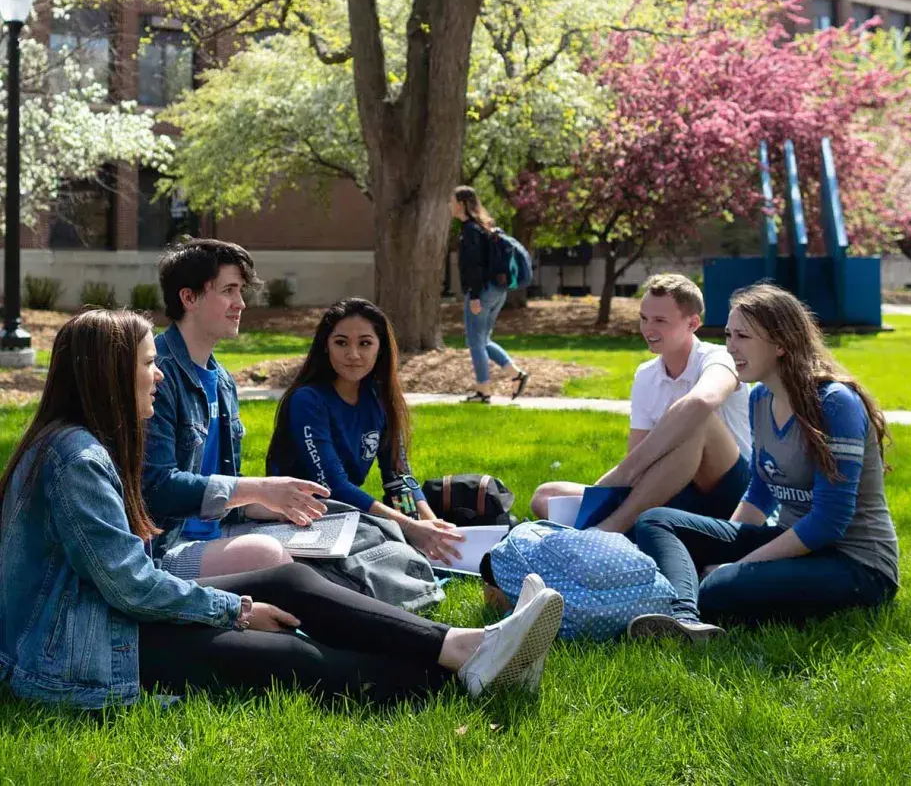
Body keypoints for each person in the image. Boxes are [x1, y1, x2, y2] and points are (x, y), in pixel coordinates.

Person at [0, 309, 565, 709]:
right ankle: (469, 674)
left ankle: (466, 646)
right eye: (149, 362)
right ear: (107, 373)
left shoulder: (82, 444)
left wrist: (235, 600)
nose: (160, 373)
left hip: (107, 613)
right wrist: (234, 610)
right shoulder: (76, 458)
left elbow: (125, 579)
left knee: (288, 578)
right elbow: (128, 587)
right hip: (76, 650)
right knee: (283, 654)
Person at [628, 284, 899, 640]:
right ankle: (686, 618)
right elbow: (761, 488)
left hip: (855, 564)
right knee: (656, 521)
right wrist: (725, 540)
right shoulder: (760, 399)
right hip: (791, 541)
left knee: (720, 584)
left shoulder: (835, 403)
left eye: (742, 336)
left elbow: (829, 523)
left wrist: (738, 564)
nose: (730, 346)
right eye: (728, 334)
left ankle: (689, 605)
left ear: (781, 344)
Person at [142, 238, 331, 579]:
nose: (240, 303)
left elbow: (224, 492)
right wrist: (258, 489)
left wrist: (276, 504)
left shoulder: (222, 380)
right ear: (189, 298)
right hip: (167, 550)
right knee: (271, 556)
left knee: (339, 528)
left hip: (220, 533)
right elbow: (157, 488)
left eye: (240, 291)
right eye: (229, 290)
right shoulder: (156, 377)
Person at [530, 273, 751, 533]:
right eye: (644, 318)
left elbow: (703, 400)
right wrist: (617, 485)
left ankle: (610, 530)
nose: (648, 329)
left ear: (692, 323)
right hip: (674, 490)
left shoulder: (719, 358)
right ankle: (631, 528)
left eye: (660, 320)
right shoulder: (646, 375)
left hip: (734, 492)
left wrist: (621, 474)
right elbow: (639, 453)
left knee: (698, 422)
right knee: (546, 495)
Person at [266, 298, 465, 566]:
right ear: (326, 346)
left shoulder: (380, 400)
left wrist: (432, 525)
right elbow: (332, 488)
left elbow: (398, 478)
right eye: (341, 343)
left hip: (349, 516)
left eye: (365, 343)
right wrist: (408, 527)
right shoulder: (307, 400)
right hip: (302, 520)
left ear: (380, 348)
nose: (353, 354)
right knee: (391, 550)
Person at [452, 185, 529, 404]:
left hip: (482, 292)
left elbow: (475, 267)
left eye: (452, 201)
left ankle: (483, 392)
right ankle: (516, 374)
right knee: (483, 340)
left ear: (461, 204)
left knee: (475, 342)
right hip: (497, 290)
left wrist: (474, 296)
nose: (449, 205)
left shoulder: (470, 231)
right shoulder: (484, 227)